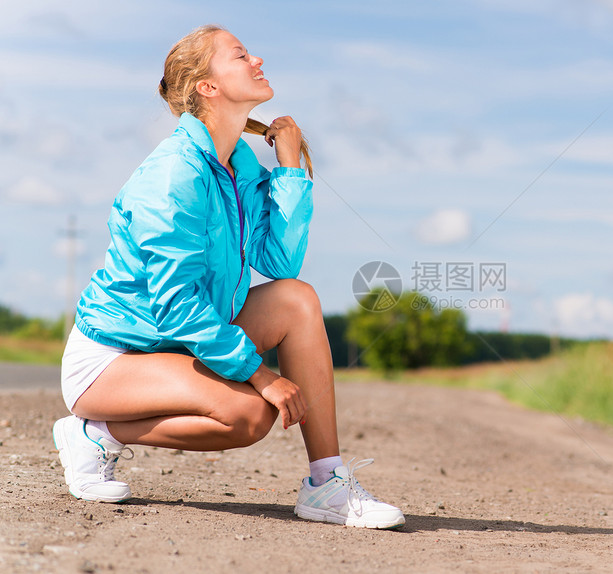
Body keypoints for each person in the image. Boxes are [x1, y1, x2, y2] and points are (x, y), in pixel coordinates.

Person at [51, 24, 405, 530]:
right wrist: (261, 375)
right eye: (240, 55)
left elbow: (279, 264)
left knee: (296, 299)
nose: (256, 58)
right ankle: (96, 432)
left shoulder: (238, 162)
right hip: (115, 358)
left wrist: (288, 169)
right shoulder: (174, 174)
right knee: (250, 415)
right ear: (208, 87)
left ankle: (326, 483)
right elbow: (175, 304)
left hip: (180, 341)